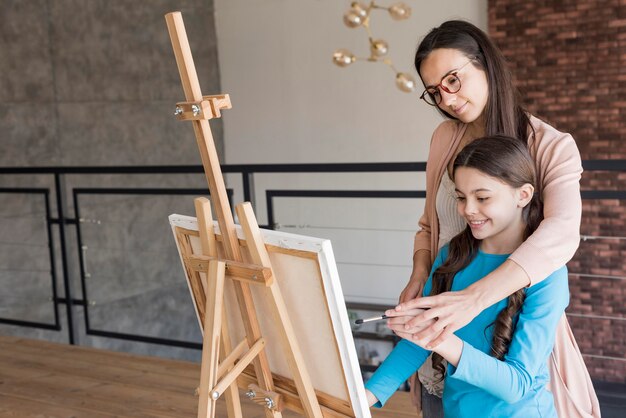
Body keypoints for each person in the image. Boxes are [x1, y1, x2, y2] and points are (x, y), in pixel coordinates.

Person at [397, 20, 584, 416]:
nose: (446, 98)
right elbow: (430, 224)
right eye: (434, 91)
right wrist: (419, 276)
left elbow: (562, 234)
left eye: (453, 80)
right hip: (443, 324)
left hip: (507, 340)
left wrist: (475, 298)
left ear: (486, 66)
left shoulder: (550, 145)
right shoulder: (444, 139)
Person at [365, 135, 571, 417]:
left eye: (482, 197)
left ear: (523, 195)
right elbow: (415, 345)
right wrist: (363, 396)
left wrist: (436, 338)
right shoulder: (452, 256)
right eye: (461, 198)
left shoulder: (549, 274)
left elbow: (517, 385)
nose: (468, 210)